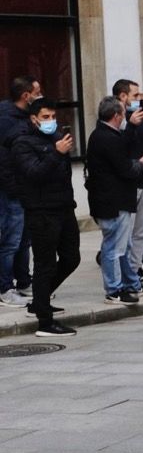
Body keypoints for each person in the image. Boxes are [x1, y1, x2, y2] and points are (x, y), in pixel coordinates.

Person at [88, 96, 143, 306]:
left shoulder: (105, 134)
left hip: (115, 200)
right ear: (116, 116)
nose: (126, 116)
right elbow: (124, 168)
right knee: (114, 247)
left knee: (123, 245)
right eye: (123, 113)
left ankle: (130, 282)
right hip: (112, 202)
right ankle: (113, 290)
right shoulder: (107, 137)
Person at [10, 98, 78, 336]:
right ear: (34, 119)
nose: (51, 122)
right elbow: (34, 173)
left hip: (63, 207)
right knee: (44, 265)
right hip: (41, 211)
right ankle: (45, 322)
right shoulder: (22, 143)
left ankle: (39, 301)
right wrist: (56, 154)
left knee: (72, 258)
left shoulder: (55, 137)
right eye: (45, 117)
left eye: (53, 117)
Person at [0, 75, 39, 307]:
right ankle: (5, 287)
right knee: (11, 240)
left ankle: (23, 281)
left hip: (26, 189)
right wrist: (14, 187)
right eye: (36, 92)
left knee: (24, 239)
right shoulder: (6, 120)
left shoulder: (26, 119)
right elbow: (4, 161)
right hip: (12, 190)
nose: (39, 97)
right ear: (26, 96)